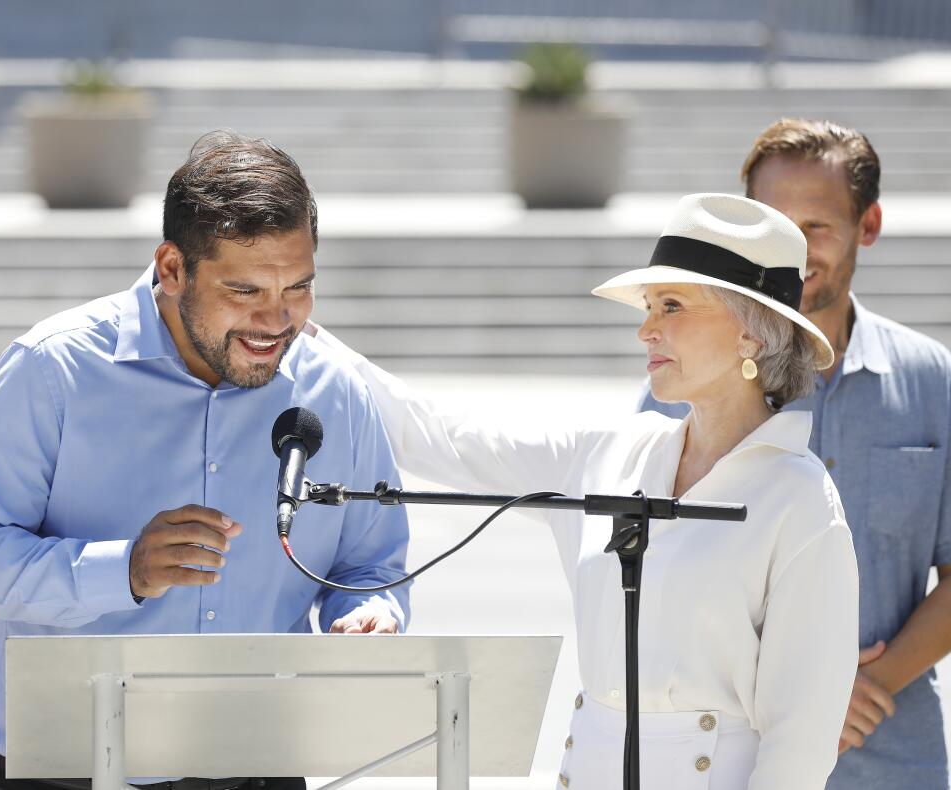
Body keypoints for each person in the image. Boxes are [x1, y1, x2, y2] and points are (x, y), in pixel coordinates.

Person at [309, 193, 858, 789]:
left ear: (751, 334)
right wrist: (301, 337)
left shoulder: (800, 498)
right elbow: (442, 439)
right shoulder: (608, 451)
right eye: (649, 307)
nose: (646, 329)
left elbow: (800, 740)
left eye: (671, 306)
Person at [0, 131, 410, 790]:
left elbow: (371, 564)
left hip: (261, 767)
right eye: (245, 292)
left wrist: (374, 611)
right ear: (173, 268)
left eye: (297, 287)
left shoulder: (337, 391)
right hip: (67, 767)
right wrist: (120, 570)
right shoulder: (53, 369)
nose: (277, 319)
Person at [639, 119, 951, 789]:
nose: (794, 249)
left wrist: (856, 690)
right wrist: (801, 702)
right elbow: (653, 575)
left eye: (817, 227)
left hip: (893, 755)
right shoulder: (682, 382)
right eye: (774, 224)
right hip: (728, 759)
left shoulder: (934, 382)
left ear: (868, 226)